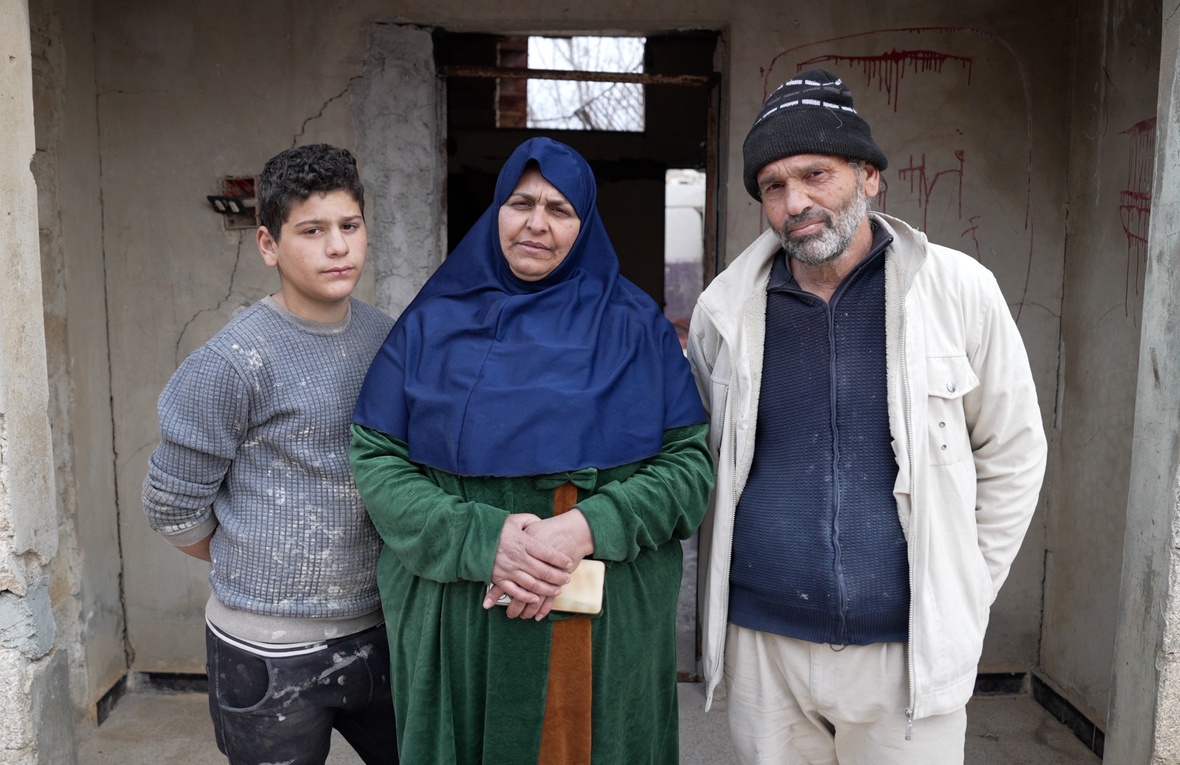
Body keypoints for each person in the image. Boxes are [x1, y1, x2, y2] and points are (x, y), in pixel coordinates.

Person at [686, 69, 1048, 764]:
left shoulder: (958, 291)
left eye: (815, 174)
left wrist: (966, 586)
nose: (796, 202)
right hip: (766, 648)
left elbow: (1014, 451)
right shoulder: (724, 313)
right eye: (773, 186)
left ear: (870, 176)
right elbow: (700, 457)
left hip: (905, 651)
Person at [349, 136, 714, 765]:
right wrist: (483, 541)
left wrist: (586, 527)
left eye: (560, 209)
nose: (536, 224)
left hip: (605, 619)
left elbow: (688, 466)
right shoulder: (432, 323)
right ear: (497, 211)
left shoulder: (634, 326)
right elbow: (377, 459)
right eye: (521, 203)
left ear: (585, 222)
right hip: (462, 617)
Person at [142, 143, 398, 765]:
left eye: (349, 226)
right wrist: (254, 552)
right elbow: (173, 507)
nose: (337, 246)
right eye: (312, 231)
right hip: (266, 651)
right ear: (267, 245)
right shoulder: (233, 362)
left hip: (382, 629)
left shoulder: (387, 337)